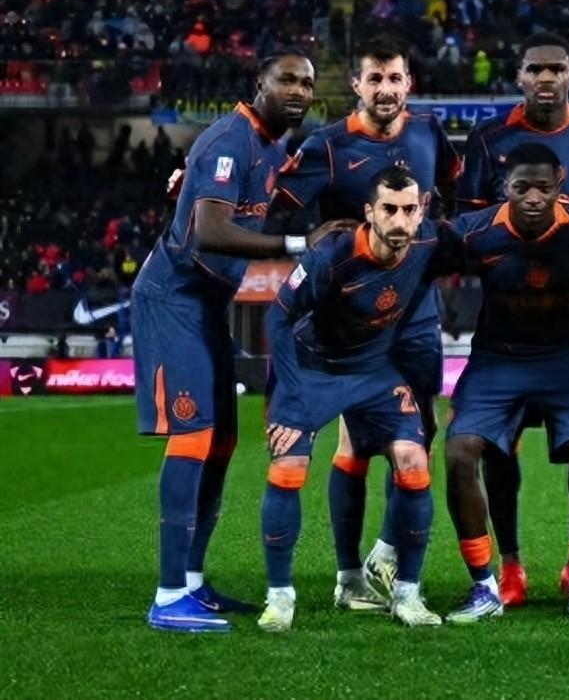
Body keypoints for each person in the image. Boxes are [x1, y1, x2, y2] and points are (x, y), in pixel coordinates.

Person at [266, 35, 460, 610]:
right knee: (353, 443)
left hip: (416, 313)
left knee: (419, 436)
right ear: (357, 85)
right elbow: (274, 204)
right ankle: (348, 573)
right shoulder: (328, 146)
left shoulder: (429, 133)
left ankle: (386, 553)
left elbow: (455, 193)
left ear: (409, 82)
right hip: (351, 322)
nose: (385, 89)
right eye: (374, 79)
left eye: (394, 78)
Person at [133, 50, 319, 632]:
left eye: (307, 83)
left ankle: (192, 581)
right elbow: (212, 231)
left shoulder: (271, 146)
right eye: (286, 79)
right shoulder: (229, 141)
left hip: (209, 301)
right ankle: (168, 597)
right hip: (173, 297)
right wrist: (297, 246)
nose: (298, 90)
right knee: (193, 435)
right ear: (260, 83)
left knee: (222, 440)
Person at [457, 32, 569, 607]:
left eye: (555, 69)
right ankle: (509, 565)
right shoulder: (490, 138)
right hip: (507, 307)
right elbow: (466, 225)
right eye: (534, 69)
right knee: (498, 448)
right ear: (519, 76)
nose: (545, 78)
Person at [258, 168, 451, 631]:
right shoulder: (332, 256)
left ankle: (407, 594)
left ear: (421, 211)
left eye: (409, 210)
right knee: (288, 466)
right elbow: (278, 318)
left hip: (373, 371)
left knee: (414, 460)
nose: (400, 221)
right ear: (369, 212)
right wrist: (289, 391)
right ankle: (280, 597)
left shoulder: (430, 242)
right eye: (389, 209)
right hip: (314, 370)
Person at [442, 144, 569, 624]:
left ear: (560, 184)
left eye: (543, 187)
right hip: (497, 362)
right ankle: (487, 584)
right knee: (460, 453)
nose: (533, 198)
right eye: (521, 188)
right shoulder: (474, 231)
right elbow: (417, 253)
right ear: (505, 187)